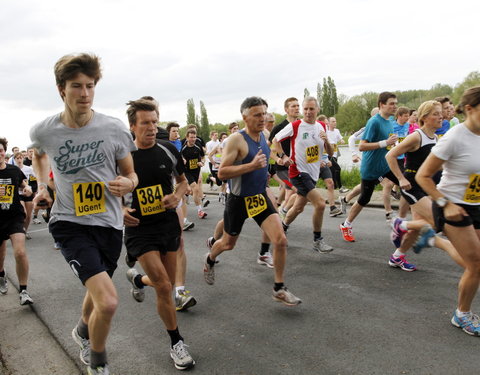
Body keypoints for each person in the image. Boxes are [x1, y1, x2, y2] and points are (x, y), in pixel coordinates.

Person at [30, 53, 138, 375]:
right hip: (68, 223)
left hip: (108, 223)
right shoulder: (45, 130)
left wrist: (127, 183)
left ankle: (81, 330)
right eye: (77, 86)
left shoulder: (114, 128)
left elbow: (132, 174)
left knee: (97, 288)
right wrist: (41, 186)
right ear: (61, 89)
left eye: (90, 86)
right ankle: (98, 358)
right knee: (107, 301)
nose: (85, 94)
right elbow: (38, 156)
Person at [203, 96, 301, 306]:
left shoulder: (265, 134)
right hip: (238, 200)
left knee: (281, 240)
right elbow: (222, 173)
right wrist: (251, 166)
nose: (262, 118)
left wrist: (278, 164)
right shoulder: (235, 140)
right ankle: (210, 259)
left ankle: (279, 288)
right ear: (245, 117)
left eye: (264, 113)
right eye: (257, 114)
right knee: (228, 244)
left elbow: (266, 158)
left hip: (259, 197)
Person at [122, 98, 195, 369]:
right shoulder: (123, 156)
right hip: (139, 230)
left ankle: (139, 280)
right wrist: (119, 211)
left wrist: (176, 197)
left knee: (163, 283)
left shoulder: (167, 151)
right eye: (145, 123)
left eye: (155, 122)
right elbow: (108, 190)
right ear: (133, 126)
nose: (152, 128)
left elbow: (183, 182)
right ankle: (176, 342)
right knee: (165, 286)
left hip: (166, 225)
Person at [416, 86, 480, 336]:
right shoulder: (454, 137)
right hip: (452, 205)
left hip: (476, 204)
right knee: (476, 263)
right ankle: (462, 314)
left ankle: (433, 240)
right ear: (469, 109)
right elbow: (423, 176)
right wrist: (446, 204)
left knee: (474, 262)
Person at [386, 100, 465, 272]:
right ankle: (400, 225)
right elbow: (391, 156)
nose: (441, 117)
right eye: (436, 114)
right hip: (412, 187)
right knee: (438, 221)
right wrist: (400, 179)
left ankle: (397, 257)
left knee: (418, 226)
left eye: (440, 113)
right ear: (425, 117)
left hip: (426, 187)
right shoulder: (417, 136)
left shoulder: (435, 138)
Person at [273, 96, 334, 252]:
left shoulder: (322, 126)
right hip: (298, 172)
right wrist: (283, 156)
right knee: (320, 203)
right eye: (305, 108)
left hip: (313, 173)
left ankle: (282, 228)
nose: (308, 112)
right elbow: (275, 139)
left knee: (298, 207)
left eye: (311, 109)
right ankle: (317, 240)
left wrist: (326, 141)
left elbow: (330, 152)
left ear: (317, 110)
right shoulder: (296, 126)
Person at [339, 92, 400, 242]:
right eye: (391, 103)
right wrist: (385, 143)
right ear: (382, 105)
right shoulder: (374, 122)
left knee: (407, 183)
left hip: (385, 166)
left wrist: (395, 144)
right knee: (364, 199)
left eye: (395, 103)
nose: (395, 106)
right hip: (371, 169)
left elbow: (387, 143)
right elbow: (362, 146)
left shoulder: (390, 121)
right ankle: (346, 225)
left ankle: (400, 220)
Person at [0, 137, 33, 304]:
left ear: (4, 152)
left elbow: (23, 183)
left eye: (0, 150)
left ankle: (24, 291)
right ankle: (1, 275)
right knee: (1, 255)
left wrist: (27, 188)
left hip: (14, 216)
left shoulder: (13, 170)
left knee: (20, 252)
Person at [181, 129, 207, 219]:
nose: (193, 139)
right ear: (187, 138)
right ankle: (200, 211)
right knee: (196, 189)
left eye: (194, 137)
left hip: (196, 171)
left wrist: (202, 163)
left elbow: (203, 157)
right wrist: (182, 161)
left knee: (192, 191)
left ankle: (186, 194)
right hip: (187, 172)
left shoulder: (198, 147)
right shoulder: (183, 149)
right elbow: (179, 159)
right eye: (191, 137)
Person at [326, 117, 349, 194]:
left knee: (332, 171)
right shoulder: (326, 131)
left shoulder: (337, 131)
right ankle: (340, 187)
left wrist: (342, 140)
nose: (335, 123)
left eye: (335, 121)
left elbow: (340, 138)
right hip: (329, 154)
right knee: (337, 168)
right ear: (328, 123)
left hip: (335, 154)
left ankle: (332, 186)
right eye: (333, 121)